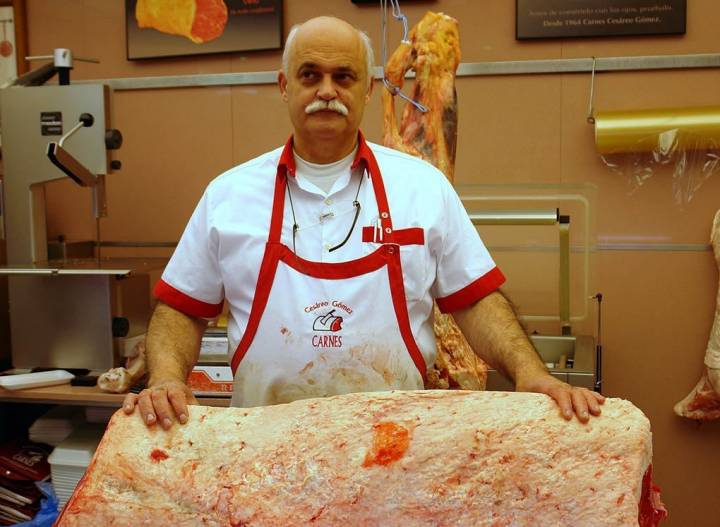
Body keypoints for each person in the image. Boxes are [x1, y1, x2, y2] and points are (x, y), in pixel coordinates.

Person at [123, 16, 604, 429]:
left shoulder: (422, 187)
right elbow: (182, 308)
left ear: (369, 89)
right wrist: (167, 376)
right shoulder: (228, 195)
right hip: (265, 449)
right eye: (309, 75)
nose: (326, 91)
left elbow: (476, 300)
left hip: (395, 449)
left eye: (344, 76)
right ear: (284, 85)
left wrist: (530, 372)